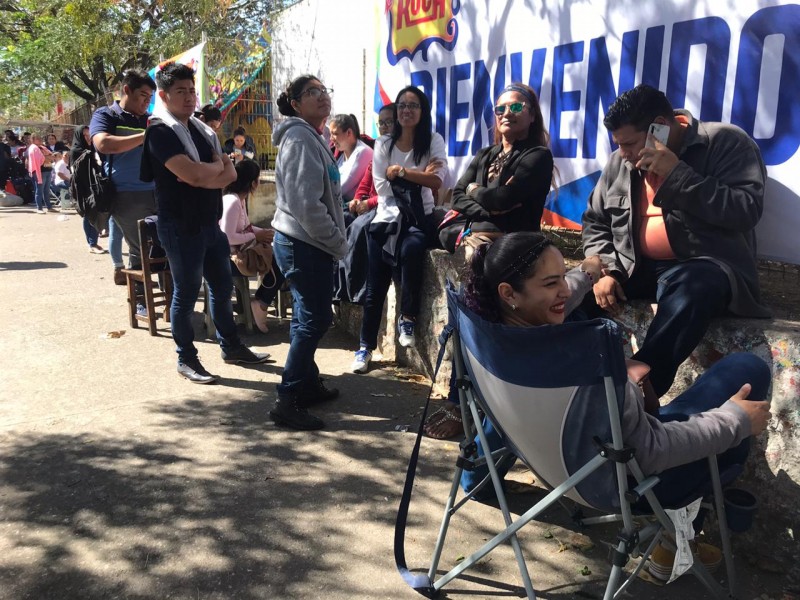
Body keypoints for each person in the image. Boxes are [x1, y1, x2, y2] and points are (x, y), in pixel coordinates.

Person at [467, 231, 771, 580]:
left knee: (581, 314)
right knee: (747, 370)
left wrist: (587, 272)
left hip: (554, 469)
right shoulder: (586, 360)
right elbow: (652, 450)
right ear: (509, 293)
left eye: (562, 278)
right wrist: (734, 422)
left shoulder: (484, 331)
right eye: (551, 283)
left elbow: (567, 291)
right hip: (623, 486)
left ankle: (473, 479)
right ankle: (676, 537)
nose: (564, 290)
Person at [582, 84, 770, 398]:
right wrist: (608, 269)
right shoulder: (619, 162)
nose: (624, 155)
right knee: (571, 292)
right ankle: (568, 378)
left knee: (695, 288)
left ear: (661, 126)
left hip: (704, 265)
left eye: (629, 144)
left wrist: (676, 173)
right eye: (620, 145)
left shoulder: (725, 142)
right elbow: (595, 221)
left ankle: (636, 390)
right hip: (634, 267)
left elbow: (745, 210)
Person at [140, 61, 270, 384]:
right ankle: (186, 358)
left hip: (211, 225)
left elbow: (230, 174)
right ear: (164, 95)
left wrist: (205, 175)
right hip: (180, 226)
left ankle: (231, 346)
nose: (188, 97)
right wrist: (211, 173)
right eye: (180, 91)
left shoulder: (203, 131)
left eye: (191, 91)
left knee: (222, 287)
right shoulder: (159, 132)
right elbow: (196, 174)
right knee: (185, 294)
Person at [350, 85, 448, 374]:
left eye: (413, 105)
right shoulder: (383, 145)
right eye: (402, 105)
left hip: (419, 218)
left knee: (413, 248)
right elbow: (382, 186)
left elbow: (438, 181)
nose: (407, 110)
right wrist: (421, 175)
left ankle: (408, 317)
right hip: (387, 219)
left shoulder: (432, 140)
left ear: (422, 110)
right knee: (375, 285)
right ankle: (365, 348)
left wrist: (403, 172)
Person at [270, 74, 348, 430]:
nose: (321, 97)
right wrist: (336, 240)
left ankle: (307, 383)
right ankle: (288, 398)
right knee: (315, 319)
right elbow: (306, 204)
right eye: (311, 92)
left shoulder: (311, 136)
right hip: (304, 242)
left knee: (307, 317)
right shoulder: (301, 137)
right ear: (296, 102)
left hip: (306, 241)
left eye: (324, 90)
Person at [440, 83, 554, 255]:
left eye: (516, 107)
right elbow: (457, 196)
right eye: (500, 109)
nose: (507, 113)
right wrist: (489, 210)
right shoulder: (484, 154)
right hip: (474, 239)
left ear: (532, 115)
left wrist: (473, 189)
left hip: (515, 246)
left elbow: (503, 198)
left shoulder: (538, 156)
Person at [90, 69, 160, 304]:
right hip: (126, 194)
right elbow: (103, 144)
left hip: (157, 192)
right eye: (143, 95)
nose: (146, 102)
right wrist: (146, 136)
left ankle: (165, 299)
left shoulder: (149, 118)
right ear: (126, 90)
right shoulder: (106, 114)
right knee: (140, 247)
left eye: (150, 97)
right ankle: (141, 300)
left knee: (161, 245)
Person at [333, 104, 395, 305]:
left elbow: (392, 192)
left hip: (387, 206)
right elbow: (366, 181)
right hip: (368, 204)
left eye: (389, 122)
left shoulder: (400, 151)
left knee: (359, 228)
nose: (384, 127)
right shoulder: (379, 148)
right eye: (381, 123)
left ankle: (356, 290)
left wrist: (368, 202)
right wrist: (359, 198)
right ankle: (337, 286)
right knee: (339, 220)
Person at [220, 158, 285, 333]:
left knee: (279, 255)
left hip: (238, 252)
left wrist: (264, 232)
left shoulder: (238, 200)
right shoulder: (232, 201)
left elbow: (245, 226)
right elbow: (227, 237)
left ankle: (261, 301)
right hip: (231, 259)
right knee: (280, 262)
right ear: (253, 182)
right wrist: (256, 235)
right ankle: (262, 302)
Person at [70, 126, 122, 264]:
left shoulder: (92, 149)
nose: (88, 138)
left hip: (96, 186)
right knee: (90, 213)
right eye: (85, 136)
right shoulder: (77, 151)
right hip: (84, 188)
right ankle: (92, 243)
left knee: (98, 211)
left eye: (89, 135)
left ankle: (97, 237)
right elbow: (78, 172)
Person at [329, 113, 373, 206]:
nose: (331, 139)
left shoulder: (364, 152)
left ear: (349, 132)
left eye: (335, 134)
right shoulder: (340, 156)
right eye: (330, 134)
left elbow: (342, 188)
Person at [25, 134, 56, 214]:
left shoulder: (43, 147)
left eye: (40, 138)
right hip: (40, 171)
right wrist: (47, 157)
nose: (40, 139)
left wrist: (48, 157)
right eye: (37, 138)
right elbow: (42, 158)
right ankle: (39, 208)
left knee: (46, 190)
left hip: (48, 170)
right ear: (33, 140)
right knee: (39, 190)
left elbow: (52, 156)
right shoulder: (33, 148)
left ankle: (49, 207)